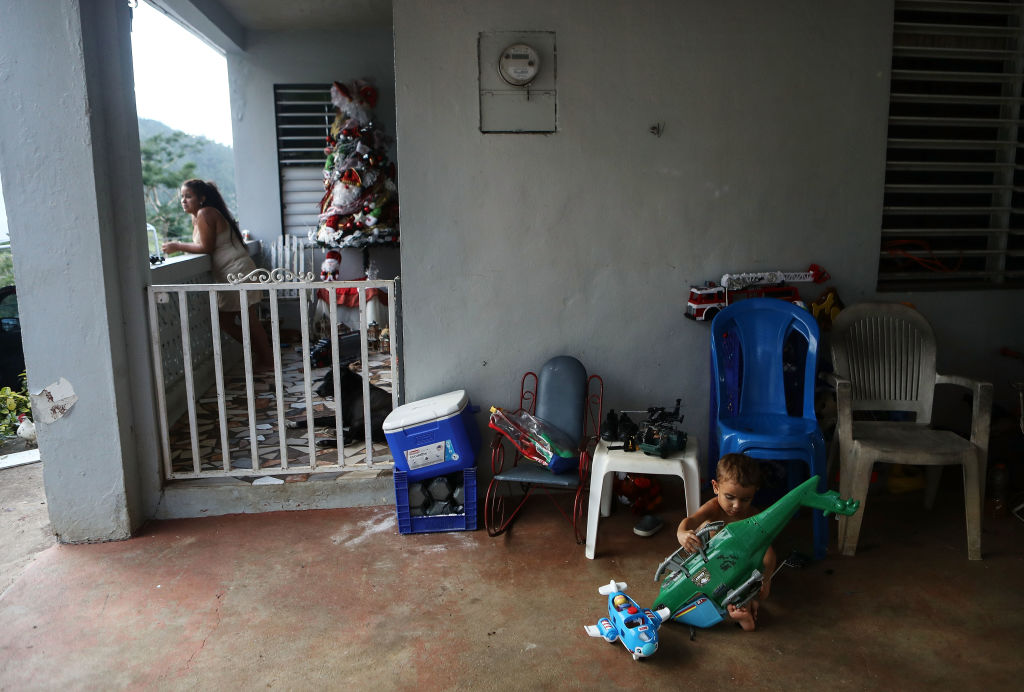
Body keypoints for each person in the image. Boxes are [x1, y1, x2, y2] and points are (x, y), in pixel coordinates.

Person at [162, 179, 274, 370]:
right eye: (182, 197)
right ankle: (264, 354)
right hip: (232, 272)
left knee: (245, 319)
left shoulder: (206, 213)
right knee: (232, 320)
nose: (183, 201)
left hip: (236, 271)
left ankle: (267, 358)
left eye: (188, 196)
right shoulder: (199, 216)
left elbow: (206, 247)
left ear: (202, 198)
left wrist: (177, 246)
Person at [676, 453, 777, 631]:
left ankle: (747, 609)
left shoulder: (753, 516)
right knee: (703, 584)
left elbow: (768, 553)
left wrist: (765, 580)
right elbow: (690, 522)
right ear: (716, 487)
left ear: (755, 492)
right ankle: (742, 610)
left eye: (745, 499)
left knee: (745, 588)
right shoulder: (713, 508)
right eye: (730, 497)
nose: (737, 506)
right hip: (713, 560)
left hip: (739, 564)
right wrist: (682, 533)